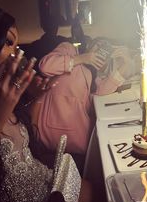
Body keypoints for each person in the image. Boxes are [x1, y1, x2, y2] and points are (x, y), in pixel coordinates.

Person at [0, 0, 93, 202]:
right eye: (7, 42)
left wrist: (38, 98)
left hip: (47, 191)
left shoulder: (4, 95)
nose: (16, 54)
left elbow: (29, 143)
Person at [36, 35, 137, 172]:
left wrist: (125, 65)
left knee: (111, 148)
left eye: (106, 49)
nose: (101, 50)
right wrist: (83, 58)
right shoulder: (69, 49)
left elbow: (97, 97)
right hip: (51, 135)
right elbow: (45, 66)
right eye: (98, 45)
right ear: (88, 45)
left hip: (78, 140)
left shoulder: (90, 74)